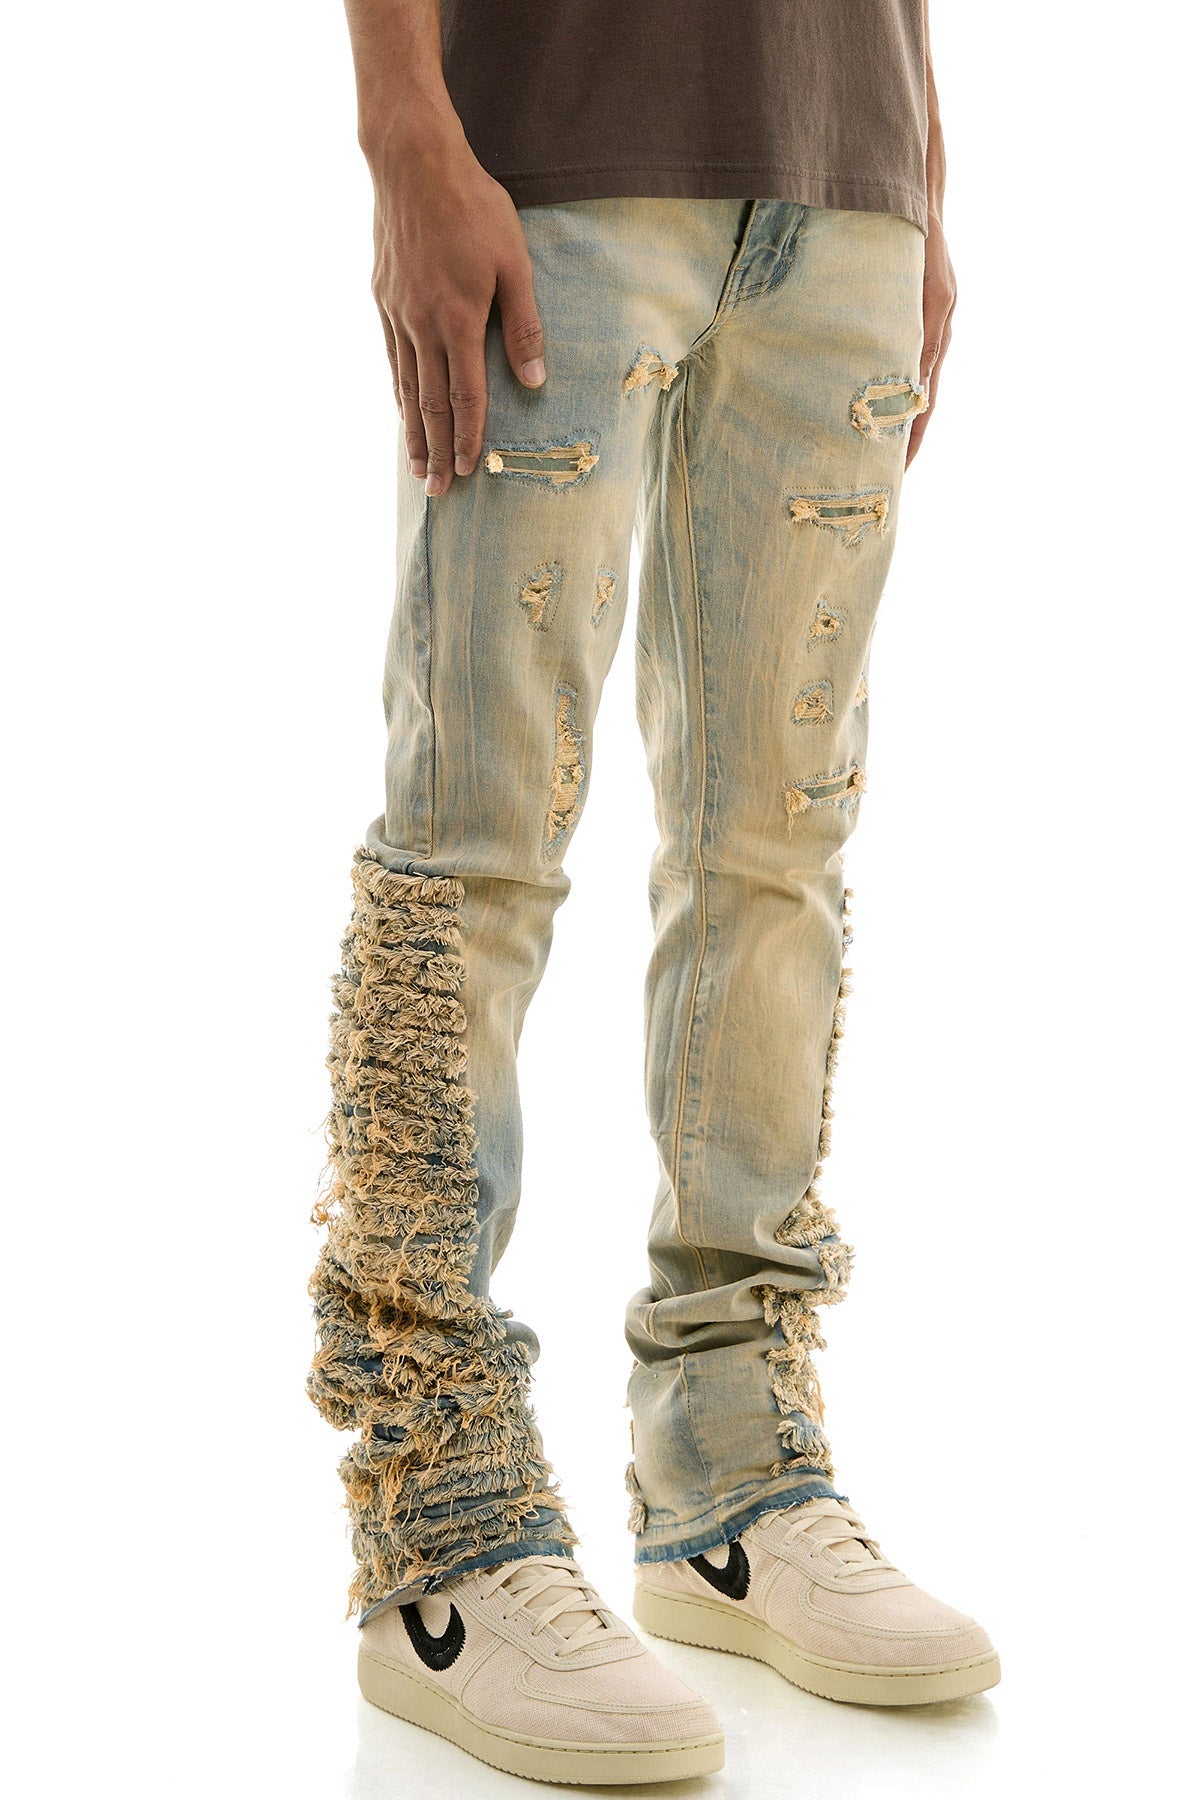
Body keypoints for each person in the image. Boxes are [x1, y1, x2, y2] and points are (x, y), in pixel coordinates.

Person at [307, 0, 998, 1782]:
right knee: (473, 855)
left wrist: (920, 154)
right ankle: (441, 1521)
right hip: (550, 145)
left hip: (843, 162)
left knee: (779, 849)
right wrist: (402, 123)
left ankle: (732, 1476)